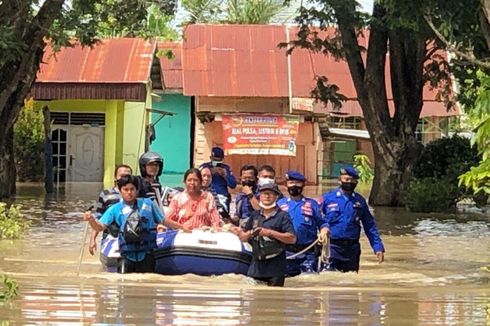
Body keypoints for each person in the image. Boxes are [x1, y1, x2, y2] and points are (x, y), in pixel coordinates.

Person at [84, 175, 189, 273]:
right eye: (126, 189)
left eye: (132, 189)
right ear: (120, 191)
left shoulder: (149, 204)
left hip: (147, 255)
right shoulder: (114, 209)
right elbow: (100, 227)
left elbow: (163, 221)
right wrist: (92, 221)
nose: (129, 193)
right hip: (126, 256)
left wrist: (181, 227)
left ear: (137, 190)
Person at [319, 167, 385, 273]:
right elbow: (316, 218)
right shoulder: (327, 198)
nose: (349, 183)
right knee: (328, 281)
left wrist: (378, 247)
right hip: (331, 247)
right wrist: (322, 229)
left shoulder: (360, 201)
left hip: (352, 249)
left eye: (353, 180)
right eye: (347, 180)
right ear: (339, 180)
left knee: (350, 281)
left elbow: (370, 226)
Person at [232, 181, 296, 287]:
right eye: (264, 193)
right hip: (255, 268)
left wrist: (269, 233)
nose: (267, 196)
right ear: (260, 196)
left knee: (274, 298)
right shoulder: (255, 215)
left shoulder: (283, 216)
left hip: (275, 269)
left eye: (271, 193)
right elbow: (243, 237)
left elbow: (292, 238)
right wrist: (249, 233)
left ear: (276, 196)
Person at [277, 170, 325, 276]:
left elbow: (322, 223)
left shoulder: (313, 204)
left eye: (297, 183)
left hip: (308, 253)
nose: (294, 186)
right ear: (286, 185)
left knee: (308, 283)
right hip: (286, 253)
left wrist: (324, 230)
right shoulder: (279, 205)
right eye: (291, 183)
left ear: (303, 184)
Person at [88, 164, 132, 270]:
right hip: (110, 237)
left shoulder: (136, 195)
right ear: (115, 178)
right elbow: (99, 217)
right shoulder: (106, 194)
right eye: (121, 176)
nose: (124, 178)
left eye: (128, 175)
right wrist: (92, 240)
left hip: (131, 238)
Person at [199, 146, 237, 211]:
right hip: (205, 195)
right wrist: (210, 172)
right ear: (211, 158)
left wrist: (225, 175)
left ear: (222, 159)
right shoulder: (204, 167)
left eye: (219, 160)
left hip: (222, 196)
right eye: (215, 159)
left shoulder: (226, 168)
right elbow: (198, 180)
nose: (216, 162)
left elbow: (233, 185)